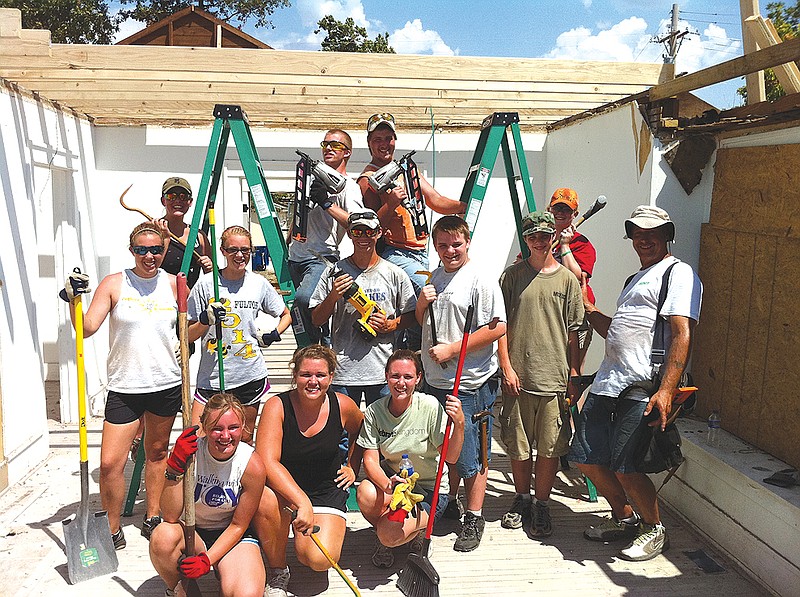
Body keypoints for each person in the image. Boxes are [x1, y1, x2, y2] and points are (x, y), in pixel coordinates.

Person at [570, 205, 702, 562]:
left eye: (652, 232)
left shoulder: (678, 273)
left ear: (667, 235)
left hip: (643, 385)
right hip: (609, 382)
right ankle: (625, 518)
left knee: (627, 465)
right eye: (637, 233)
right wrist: (586, 307)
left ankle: (654, 529)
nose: (643, 239)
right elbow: (617, 330)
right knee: (584, 457)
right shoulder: (634, 280)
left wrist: (666, 389)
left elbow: (681, 332)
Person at [60, 222, 182, 548]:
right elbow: (86, 328)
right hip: (125, 385)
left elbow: (189, 331)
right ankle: (112, 528)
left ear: (164, 251)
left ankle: (152, 515)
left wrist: (208, 320)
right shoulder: (115, 284)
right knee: (110, 464)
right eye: (142, 249)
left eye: (156, 249)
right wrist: (72, 300)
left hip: (165, 382)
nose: (149, 256)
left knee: (157, 452)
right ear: (132, 251)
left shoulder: (174, 285)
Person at [415, 215, 506, 553]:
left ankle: (475, 516)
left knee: (473, 454)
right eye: (442, 245)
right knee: (446, 448)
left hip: (468, 382)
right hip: (437, 381)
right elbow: (423, 321)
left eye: (456, 244)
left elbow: (498, 328)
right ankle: (452, 502)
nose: (450, 250)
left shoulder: (480, 279)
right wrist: (423, 303)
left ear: (467, 242)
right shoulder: (437, 275)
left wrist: (453, 349)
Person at [497, 211, 584, 539]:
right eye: (532, 235)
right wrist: (506, 366)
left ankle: (542, 504)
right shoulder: (511, 277)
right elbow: (499, 327)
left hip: (554, 379)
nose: (538, 240)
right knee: (519, 447)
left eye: (544, 235)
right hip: (518, 378)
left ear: (553, 237)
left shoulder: (567, 280)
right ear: (526, 238)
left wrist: (574, 374)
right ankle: (522, 499)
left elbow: (575, 332)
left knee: (549, 448)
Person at [253, 345, 364, 597]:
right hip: (284, 490)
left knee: (317, 559)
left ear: (331, 377)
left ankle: (297, 535)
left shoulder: (343, 405)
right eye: (306, 375)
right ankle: (278, 569)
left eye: (320, 375)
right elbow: (267, 461)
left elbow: (363, 432)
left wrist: (352, 466)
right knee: (263, 498)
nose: (313, 381)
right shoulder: (277, 406)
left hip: (326, 488)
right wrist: (301, 501)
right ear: (295, 375)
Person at [358, 113, 464, 350]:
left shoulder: (406, 168)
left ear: (395, 139)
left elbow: (435, 200)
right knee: (429, 298)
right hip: (395, 252)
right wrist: (392, 203)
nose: (384, 144)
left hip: (419, 253)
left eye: (388, 137)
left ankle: (418, 355)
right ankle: (422, 352)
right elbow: (370, 227)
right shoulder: (367, 179)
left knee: (423, 302)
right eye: (377, 139)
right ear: (369, 143)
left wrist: (462, 207)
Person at [149, 393, 267, 597]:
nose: (225, 436)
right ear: (203, 427)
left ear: (244, 427)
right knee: (162, 536)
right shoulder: (190, 453)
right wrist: (175, 467)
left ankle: (227, 570)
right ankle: (180, 589)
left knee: (246, 594)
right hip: (193, 533)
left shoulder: (251, 465)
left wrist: (207, 560)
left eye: (233, 428)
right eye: (217, 428)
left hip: (233, 537)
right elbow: (169, 515)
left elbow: (239, 525)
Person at [356, 350, 465, 568]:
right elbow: (369, 460)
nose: (401, 383)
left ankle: (413, 533)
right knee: (365, 493)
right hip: (396, 484)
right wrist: (388, 484)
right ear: (386, 376)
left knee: (388, 534)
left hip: (430, 490)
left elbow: (451, 457)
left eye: (408, 377)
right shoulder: (374, 411)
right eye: (395, 376)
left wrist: (460, 424)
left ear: (418, 379)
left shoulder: (430, 406)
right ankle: (395, 529)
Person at [188, 225, 292, 443]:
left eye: (245, 250)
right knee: (196, 438)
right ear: (223, 251)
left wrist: (273, 334)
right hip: (212, 378)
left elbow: (286, 314)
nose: (240, 255)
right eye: (233, 249)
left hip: (248, 374)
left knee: (243, 439)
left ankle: (238, 479)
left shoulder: (258, 283)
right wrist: (205, 321)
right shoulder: (206, 285)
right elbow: (187, 335)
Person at [309, 210, 416, 407]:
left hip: (383, 373)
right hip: (343, 373)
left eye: (369, 232)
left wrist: (390, 325)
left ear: (379, 233)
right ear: (349, 234)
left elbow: (413, 315)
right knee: (342, 435)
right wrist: (333, 297)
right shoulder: (333, 273)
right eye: (357, 232)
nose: (363, 237)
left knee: (383, 434)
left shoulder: (395, 274)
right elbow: (316, 319)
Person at [288, 130, 364, 345]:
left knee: (305, 300)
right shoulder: (311, 179)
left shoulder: (349, 187)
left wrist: (326, 202)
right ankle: (317, 352)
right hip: (295, 257)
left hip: (321, 258)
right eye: (325, 144)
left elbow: (357, 223)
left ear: (347, 153)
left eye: (336, 145)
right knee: (302, 311)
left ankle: (317, 351)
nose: (329, 148)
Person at [547, 188, 597, 369]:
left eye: (566, 210)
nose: (560, 213)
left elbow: (576, 278)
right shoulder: (542, 239)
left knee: (573, 370)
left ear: (574, 214)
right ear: (549, 210)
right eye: (557, 208)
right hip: (549, 311)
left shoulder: (582, 244)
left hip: (575, 313)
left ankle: (574, 398)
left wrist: (565, 245)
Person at [158, 176, 214, 286]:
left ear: (190, 202)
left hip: (191, 300)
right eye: (171, 196)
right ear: (163, 201)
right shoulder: (152, 231)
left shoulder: (199, 236)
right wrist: (165, 239)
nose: (178, 200)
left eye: (183, 196)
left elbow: (214, 276)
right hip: (160, 300)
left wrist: (209, 268)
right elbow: (146, 269)